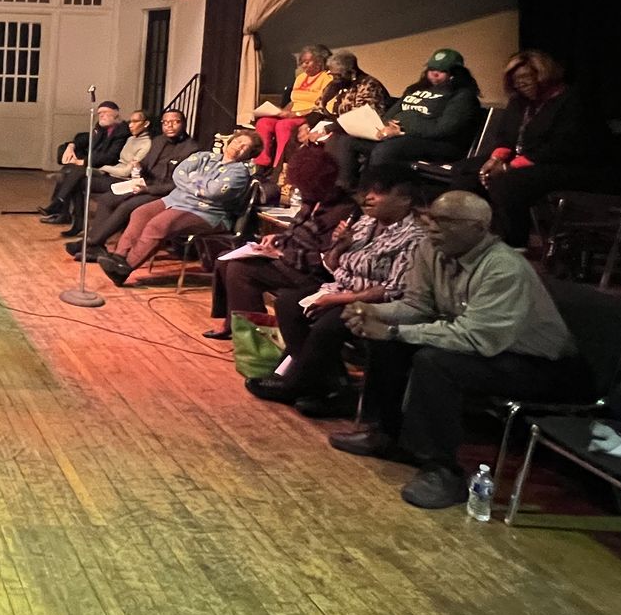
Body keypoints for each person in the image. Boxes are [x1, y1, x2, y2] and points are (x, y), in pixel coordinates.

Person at [331, 191, 583, 509]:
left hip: (542, 365)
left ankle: (443, 470)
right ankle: (387, 434)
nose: (433, 227)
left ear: (479, 228)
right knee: (389, 343)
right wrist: (373, 313)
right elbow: (417, 306)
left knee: (435, 362)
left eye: (446, 221)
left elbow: (477, 338)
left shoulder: (503, 268)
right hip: (487, 347)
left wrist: (393, 329)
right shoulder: (430, 249)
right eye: (431, 218)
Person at [245, 164, 427, 417]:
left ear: (405, 198)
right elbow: (331, 264)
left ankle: (297, 384)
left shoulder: (415, 236)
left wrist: (337, 298)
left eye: (379, 193)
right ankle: (327, 384)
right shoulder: (365, 223)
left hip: (375, 302)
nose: (369, 198)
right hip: (341, 287)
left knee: (330, 323)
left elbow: (393, 289)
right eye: (368, 191)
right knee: (288, 303)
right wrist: (340, 246)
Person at [450, 50, 602, 248]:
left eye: (525, 77)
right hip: (525, 159)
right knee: (465, 170)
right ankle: (469, 234)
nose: (519, 83)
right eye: (515, 79)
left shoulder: (571, 101)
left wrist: (508, 167)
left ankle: (513, 244)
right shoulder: (519, 102)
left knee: (507, 182)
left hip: (566, 164)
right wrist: (496, 159)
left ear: (543, 74)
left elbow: (563, 147)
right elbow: (506, 136)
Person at [202, 144, 356, 339]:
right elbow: (297, 232)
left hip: (308, 274)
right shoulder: (312, 200)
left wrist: (282, 253)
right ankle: (233, 323)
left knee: (240, 270)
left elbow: (324, 259)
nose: (299, 190)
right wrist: (278, 239)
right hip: (286, 261)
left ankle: (257, 336)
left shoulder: (341, 210)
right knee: (224, 259)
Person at [96, 130, 262, 286]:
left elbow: (214, 192)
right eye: (238, 141)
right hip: (175, 200)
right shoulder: (204, 156)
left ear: (249, 154)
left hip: (206, 212)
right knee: (140, 213)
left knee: (158, 225)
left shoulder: (239, 172)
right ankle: (118, 257)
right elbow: (179, 173)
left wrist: (192, 179)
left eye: (244, 146)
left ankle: (124, 268)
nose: (238, 146)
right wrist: (200, 186)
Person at [331, 49, 480, 179]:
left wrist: (402, 130)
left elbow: (442, 129)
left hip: (438, 144)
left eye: (441, 71)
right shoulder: (415, 89)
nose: (434, 74)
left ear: (455, 74)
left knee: (386, 150)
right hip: (401, 137)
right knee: (347, 141)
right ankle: (343, 190)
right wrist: (388, 127)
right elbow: (390, 115)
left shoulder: (462, 96)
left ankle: (380, 194)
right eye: (431, 69)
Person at [68, 109, 201, 252]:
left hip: (163, 193)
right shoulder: (158, 141)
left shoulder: (192, 149)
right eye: (165, 122)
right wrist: (138, 165)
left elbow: (179, 185)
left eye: (175, 122)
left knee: (126, 206)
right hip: (144, 184)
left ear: (184, 124)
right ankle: (96, 245)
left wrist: (148, 189)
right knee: (107, 199)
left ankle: (90, 243)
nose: (169, 125)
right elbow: (145, 164)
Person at [300, 52, 391, 187]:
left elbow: (359, 117)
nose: (333, 78)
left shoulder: (368, 85)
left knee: (337, 139)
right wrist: (306, 125)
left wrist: (327, 130)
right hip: (332, 126)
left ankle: (339, 187)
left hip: (358, 132)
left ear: (351, 72)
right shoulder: (333, 86)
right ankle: (304, 187)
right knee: (296, 133)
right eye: (331, 74)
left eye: (337, 75)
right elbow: (318, 108)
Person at [38, 102, 132, 226]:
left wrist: (84, 161)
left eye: (105, 112)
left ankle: (60, 208)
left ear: (115, 113)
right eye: (99, 113)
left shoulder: (122, 131)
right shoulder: (101, 127)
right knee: (68, 171)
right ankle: (61, 209)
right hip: (95, 163)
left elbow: (110, 157)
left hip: (108, 168)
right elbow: (85, 138)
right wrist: (72, 145)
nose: (101, 116)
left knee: (72, 173)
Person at [254, 45, 332, 172]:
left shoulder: (327, 78)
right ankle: (262, 163)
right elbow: (294, 100)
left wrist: (295, 114)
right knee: (264, 122)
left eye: (307, 62)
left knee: (283, 125)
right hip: (292, 114)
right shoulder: (300, 78)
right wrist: (280, 111)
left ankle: (279, 167)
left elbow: (321, 106)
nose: (304, 66)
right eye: (302, 63)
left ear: (319, 61)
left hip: (308, 116)